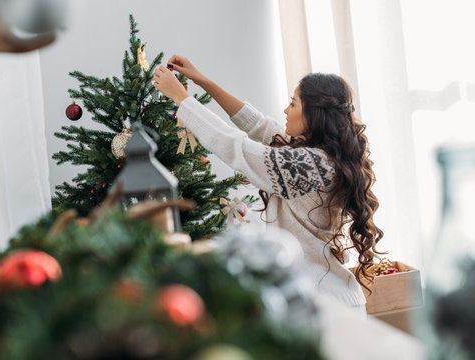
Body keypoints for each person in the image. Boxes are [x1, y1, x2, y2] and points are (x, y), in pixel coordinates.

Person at [153, 55, 384, 313]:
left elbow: (234, 146)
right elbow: (259, 125)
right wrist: (204, 81)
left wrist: (181, 98)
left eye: (293, 104)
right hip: (324, 299)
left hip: (325, 306)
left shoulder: (309, 165)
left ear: (314, 114)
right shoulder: (320, 154)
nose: (286, 110)